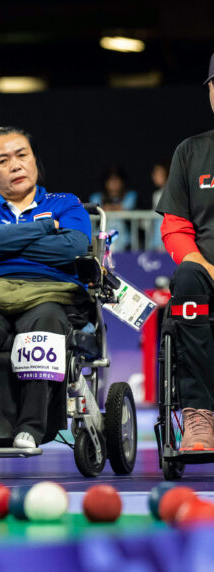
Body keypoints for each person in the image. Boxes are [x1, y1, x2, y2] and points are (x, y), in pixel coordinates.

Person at [0, 126, 91, 451]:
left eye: (22, 155)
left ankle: (30, 428)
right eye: (3, 160)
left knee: (49, 320)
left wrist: (4, 244)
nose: (15, 165)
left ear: (34, 160)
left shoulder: (65, 203)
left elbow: (72, 248)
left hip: (49, 293)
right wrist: (44, 228)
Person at [155, 52, 214, 450]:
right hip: (206, 273)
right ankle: (200, 418)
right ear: (210, 91)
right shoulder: (191, 152)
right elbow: (175, 227)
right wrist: (204, 265)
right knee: (188, 280)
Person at [89, 166, 137, 251]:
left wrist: (108, 208)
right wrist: (115, 208)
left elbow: (126, 208)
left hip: (123, 241)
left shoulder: (130, 196)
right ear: (105, 182)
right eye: (111, 180)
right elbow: (96, 208)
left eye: (117, 180)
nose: (114, 183)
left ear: (122, 181)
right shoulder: (96, 197)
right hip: (100, 240)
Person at [150, 160, 170, 250]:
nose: (154, 176)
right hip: (157, 240)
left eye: (157, 172)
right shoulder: (157, 194)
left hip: (170, 238)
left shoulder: (177, 193)